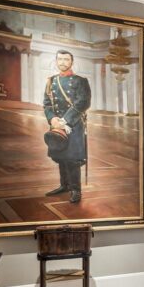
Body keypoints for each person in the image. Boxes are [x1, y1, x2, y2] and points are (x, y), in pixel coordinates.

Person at [43, 50, 91, 203]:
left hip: (74, 124)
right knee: (60, 156)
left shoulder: (80, 81)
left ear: (72, 62)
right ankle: (64, 186)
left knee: (72, 159)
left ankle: (76, 190)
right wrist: (53, 120)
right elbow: (47, 104)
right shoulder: (51, 81)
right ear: (56, 62)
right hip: (57, 125)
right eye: (60, 59)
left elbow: (83, 102)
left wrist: (65, 121)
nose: (63, 62)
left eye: (66, 59)